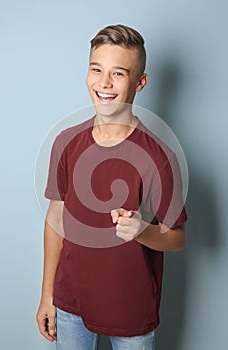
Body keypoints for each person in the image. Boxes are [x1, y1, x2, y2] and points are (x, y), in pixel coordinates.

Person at [36, 24, 187, 350]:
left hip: (131, 308)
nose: (104, 82)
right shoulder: (66, 143)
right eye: (96, 69)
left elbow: (177, 238)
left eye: (118, 73)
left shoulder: (158, 157)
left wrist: (142, 231)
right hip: (70, 305)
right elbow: (55, 220)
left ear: (140, 82)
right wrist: (48, 294)